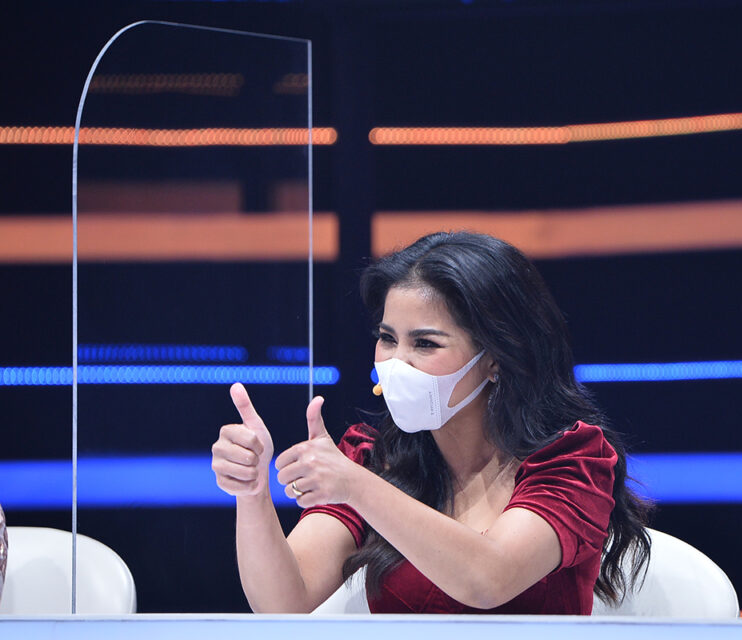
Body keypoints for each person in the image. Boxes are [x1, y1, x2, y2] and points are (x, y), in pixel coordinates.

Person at [211, 231, 651, 614]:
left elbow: (488, 578)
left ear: (495, 358)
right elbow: (286, 601)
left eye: (425, 343)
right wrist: (252, 493)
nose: (396, 363)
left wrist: (356, 487)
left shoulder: (574, 460)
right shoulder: (372, 458)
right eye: (387, 339)